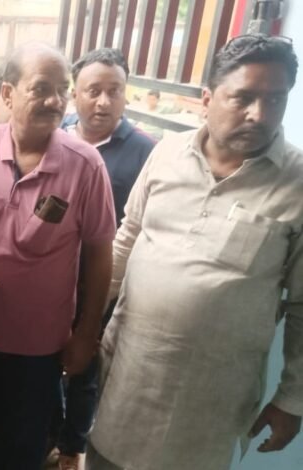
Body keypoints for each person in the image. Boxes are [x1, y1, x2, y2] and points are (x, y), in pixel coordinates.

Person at [88, 34, 303, 470]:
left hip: (210, 401)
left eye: (275, 99)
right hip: (127, 377)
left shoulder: (296, 183)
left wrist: (291, 398)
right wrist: (85, 326)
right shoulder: (166, 154)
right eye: (243, 97)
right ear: (207, 99)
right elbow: (127, 239)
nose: (259, 114)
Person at [0, 42, 116, 469]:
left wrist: (86, 334)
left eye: (62, 90)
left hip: (41, 345)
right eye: (41, 88)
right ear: (8, 94)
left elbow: (100, 253)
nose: (55, 101)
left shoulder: (85, 165)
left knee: (26, 445)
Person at [50, 48, 155, 470]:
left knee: (86, 365)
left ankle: (71, 447)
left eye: (115, 91)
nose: (104, 101)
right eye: (93, 90)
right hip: (48, 279)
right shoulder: (53, 136)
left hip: (102, 282)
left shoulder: (145, 152)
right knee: (44, 362)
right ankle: (43, 434)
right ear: (74, 94)